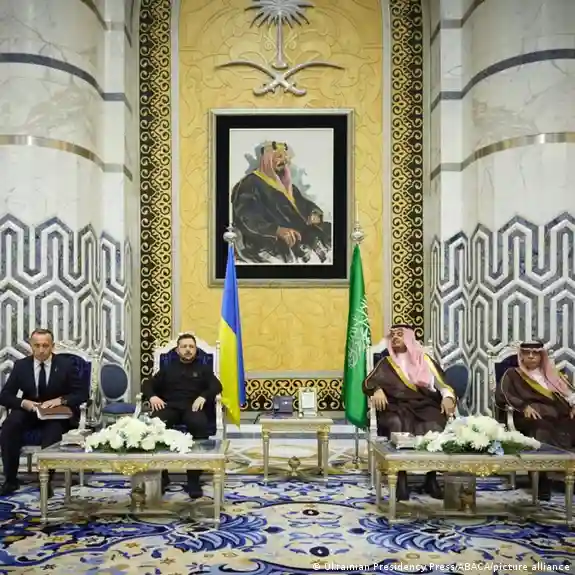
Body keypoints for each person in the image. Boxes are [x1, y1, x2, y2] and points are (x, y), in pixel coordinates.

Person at [363, 324, 456, 501]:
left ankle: (431, 478)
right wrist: (376, 389)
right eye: (393, 335)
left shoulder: (425, 360)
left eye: (400, 334)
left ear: (409, 338)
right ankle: (401, 479)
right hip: (395, 406)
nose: (395, 338)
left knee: (434, 423)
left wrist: (448, 398)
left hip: (424, 405)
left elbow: (442, 385)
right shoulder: (386, 362)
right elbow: (370, 382)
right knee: (397, 423)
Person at [0, 328, 87, 496]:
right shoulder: (21, 366)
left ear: (52, 346)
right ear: (31, 346)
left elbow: (81, 394)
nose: (41, 350)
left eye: (45, 346)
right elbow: (5, 395)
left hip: (56, 413)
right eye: (37, 345)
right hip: (30, 411)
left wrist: (60, 400)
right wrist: (23, 402)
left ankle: (45, 481)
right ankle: (10, 481)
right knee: (10, 425)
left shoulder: (66, 365)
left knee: (53, 430)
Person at [142, 333, 222, 499]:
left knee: (199, 424)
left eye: (191, 347)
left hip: (192, 407)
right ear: (177, 350)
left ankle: (193, 479)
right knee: (155, 424)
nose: (188, 350)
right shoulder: (168, 368)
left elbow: (217, 386)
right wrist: (152, 396)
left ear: (196, 350)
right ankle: (162, 475)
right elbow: (148, 384)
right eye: (184, 346)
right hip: (170, 407)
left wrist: (203, 396)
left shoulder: (203, 368)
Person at [231, 140, 332, 264]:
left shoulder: (287, 185)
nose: (284, 161)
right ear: (267, 159)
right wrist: (277, 230)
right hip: (266, 241)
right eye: (279, 156)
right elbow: (248, 218)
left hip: (299, 235)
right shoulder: (249, 184)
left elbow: (304, 204)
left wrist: (314, 213)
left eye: (285, 157)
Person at [497, 341, 575, 499]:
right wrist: (524, 406)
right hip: (529, 417)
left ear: (542, 356)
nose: (531, 356)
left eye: (535, 353)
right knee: (541, 427)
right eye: (527, 353)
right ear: (521, 356)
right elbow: (503, 394)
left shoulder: (552, 375)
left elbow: (569, 394)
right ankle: (541, 481)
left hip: (560, 416)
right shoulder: (512, 374)